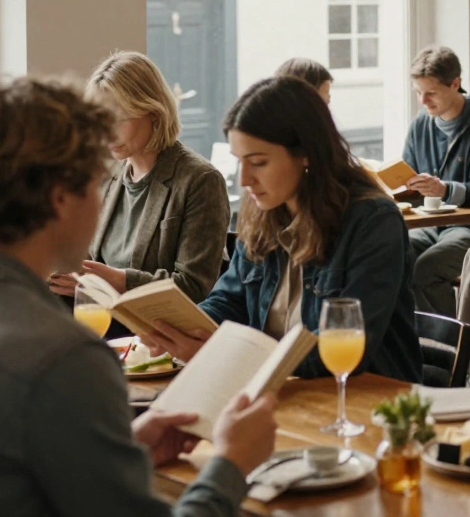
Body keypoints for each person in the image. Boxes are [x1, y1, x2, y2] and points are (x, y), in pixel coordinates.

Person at [0, 76, 277, 515]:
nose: (103, 200)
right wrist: (231, 463)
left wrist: (113, 452)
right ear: (61, 198)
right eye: (96, 183)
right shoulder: (64, 360)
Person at [144, 77, 422, 383]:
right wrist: (179, 327)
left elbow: (346, 351)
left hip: (363, 402)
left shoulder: (373, 222)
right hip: (280, 393)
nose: (244, 180)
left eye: (258, 162)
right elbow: (229, 302)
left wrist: (228, 352)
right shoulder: (264, 215)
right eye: (240, 163)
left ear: (306, 154)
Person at [46, 51, 230, 305]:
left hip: (154, 333)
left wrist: (119, 281)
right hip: (102, 322)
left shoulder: (199, 180)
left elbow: (194, 287)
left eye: (117, 120)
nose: (107, 133)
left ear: (153, 112)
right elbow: (88, 262)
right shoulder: (106, 178)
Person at [402, 46, 470, 317]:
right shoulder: (420, 126)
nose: (423, 101)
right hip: (432, 226)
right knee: (396, 256)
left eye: (431, 93)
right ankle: (412, 346)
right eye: (418, 92)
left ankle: (450, 349)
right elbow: (408, 179)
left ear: (456, 84)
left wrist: (444, 190)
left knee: (427, 270)